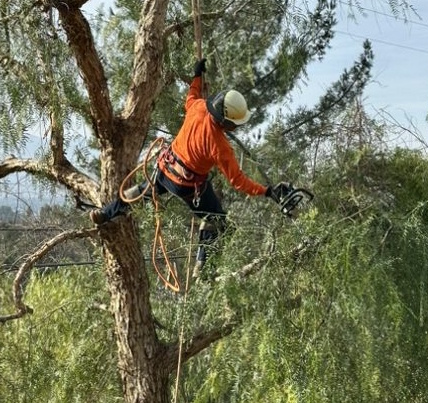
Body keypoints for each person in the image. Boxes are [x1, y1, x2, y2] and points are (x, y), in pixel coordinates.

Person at [90, 58, 292, 277]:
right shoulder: (220, 145)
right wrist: (267, 191)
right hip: (186, 184)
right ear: (225, 121)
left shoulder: (198, 107)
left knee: (143, 191)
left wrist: (196, 76)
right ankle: (202, 270)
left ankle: (106, 213)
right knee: (217, 220)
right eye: (235, 123)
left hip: (165, 169)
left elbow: (191, 96)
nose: (236, 127)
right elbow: (237, 181)